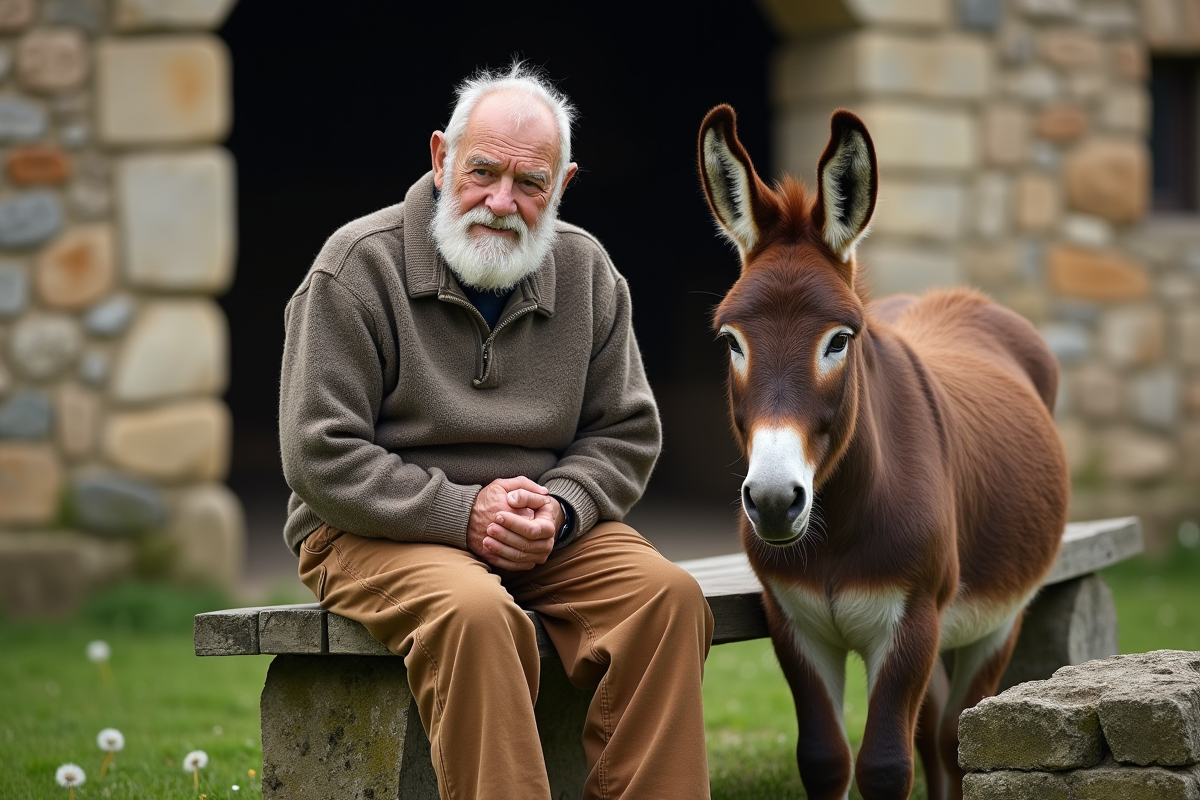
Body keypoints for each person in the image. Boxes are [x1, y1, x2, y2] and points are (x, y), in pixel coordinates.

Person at [278, 62, 714, 800]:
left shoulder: (588, 271)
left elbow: (627, 431)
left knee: (667, 599)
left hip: (540, 528)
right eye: (482, 172)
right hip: (372, 529)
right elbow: (319, 453)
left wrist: (565, 506)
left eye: (531, 183)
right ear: (442, 157)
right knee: (477, 615)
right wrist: (462, 513)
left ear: (564, 185)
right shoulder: (355, 267)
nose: (502, 202)